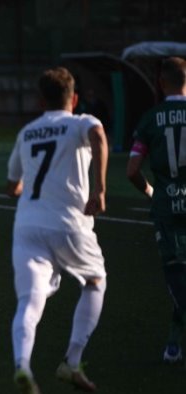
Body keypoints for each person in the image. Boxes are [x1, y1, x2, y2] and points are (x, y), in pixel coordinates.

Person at [6, 67, 109, 393]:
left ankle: (22, 366)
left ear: (40, 100)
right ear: (74, 99)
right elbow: (99, 137)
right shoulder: (80, 122)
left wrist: (28, 189)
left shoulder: (27, 132)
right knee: (95, 281)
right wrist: (100, 189)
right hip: (69, 224)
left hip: (27, 226)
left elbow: (13, 186)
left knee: (29, 301)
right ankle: (72, 362)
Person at [127, 57, 186, 366]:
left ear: (161, 83)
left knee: (177, 275)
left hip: (166, 206)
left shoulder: (151, 118)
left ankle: (175, 343)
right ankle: (174, 342)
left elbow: (132, 170)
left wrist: (151, 192)